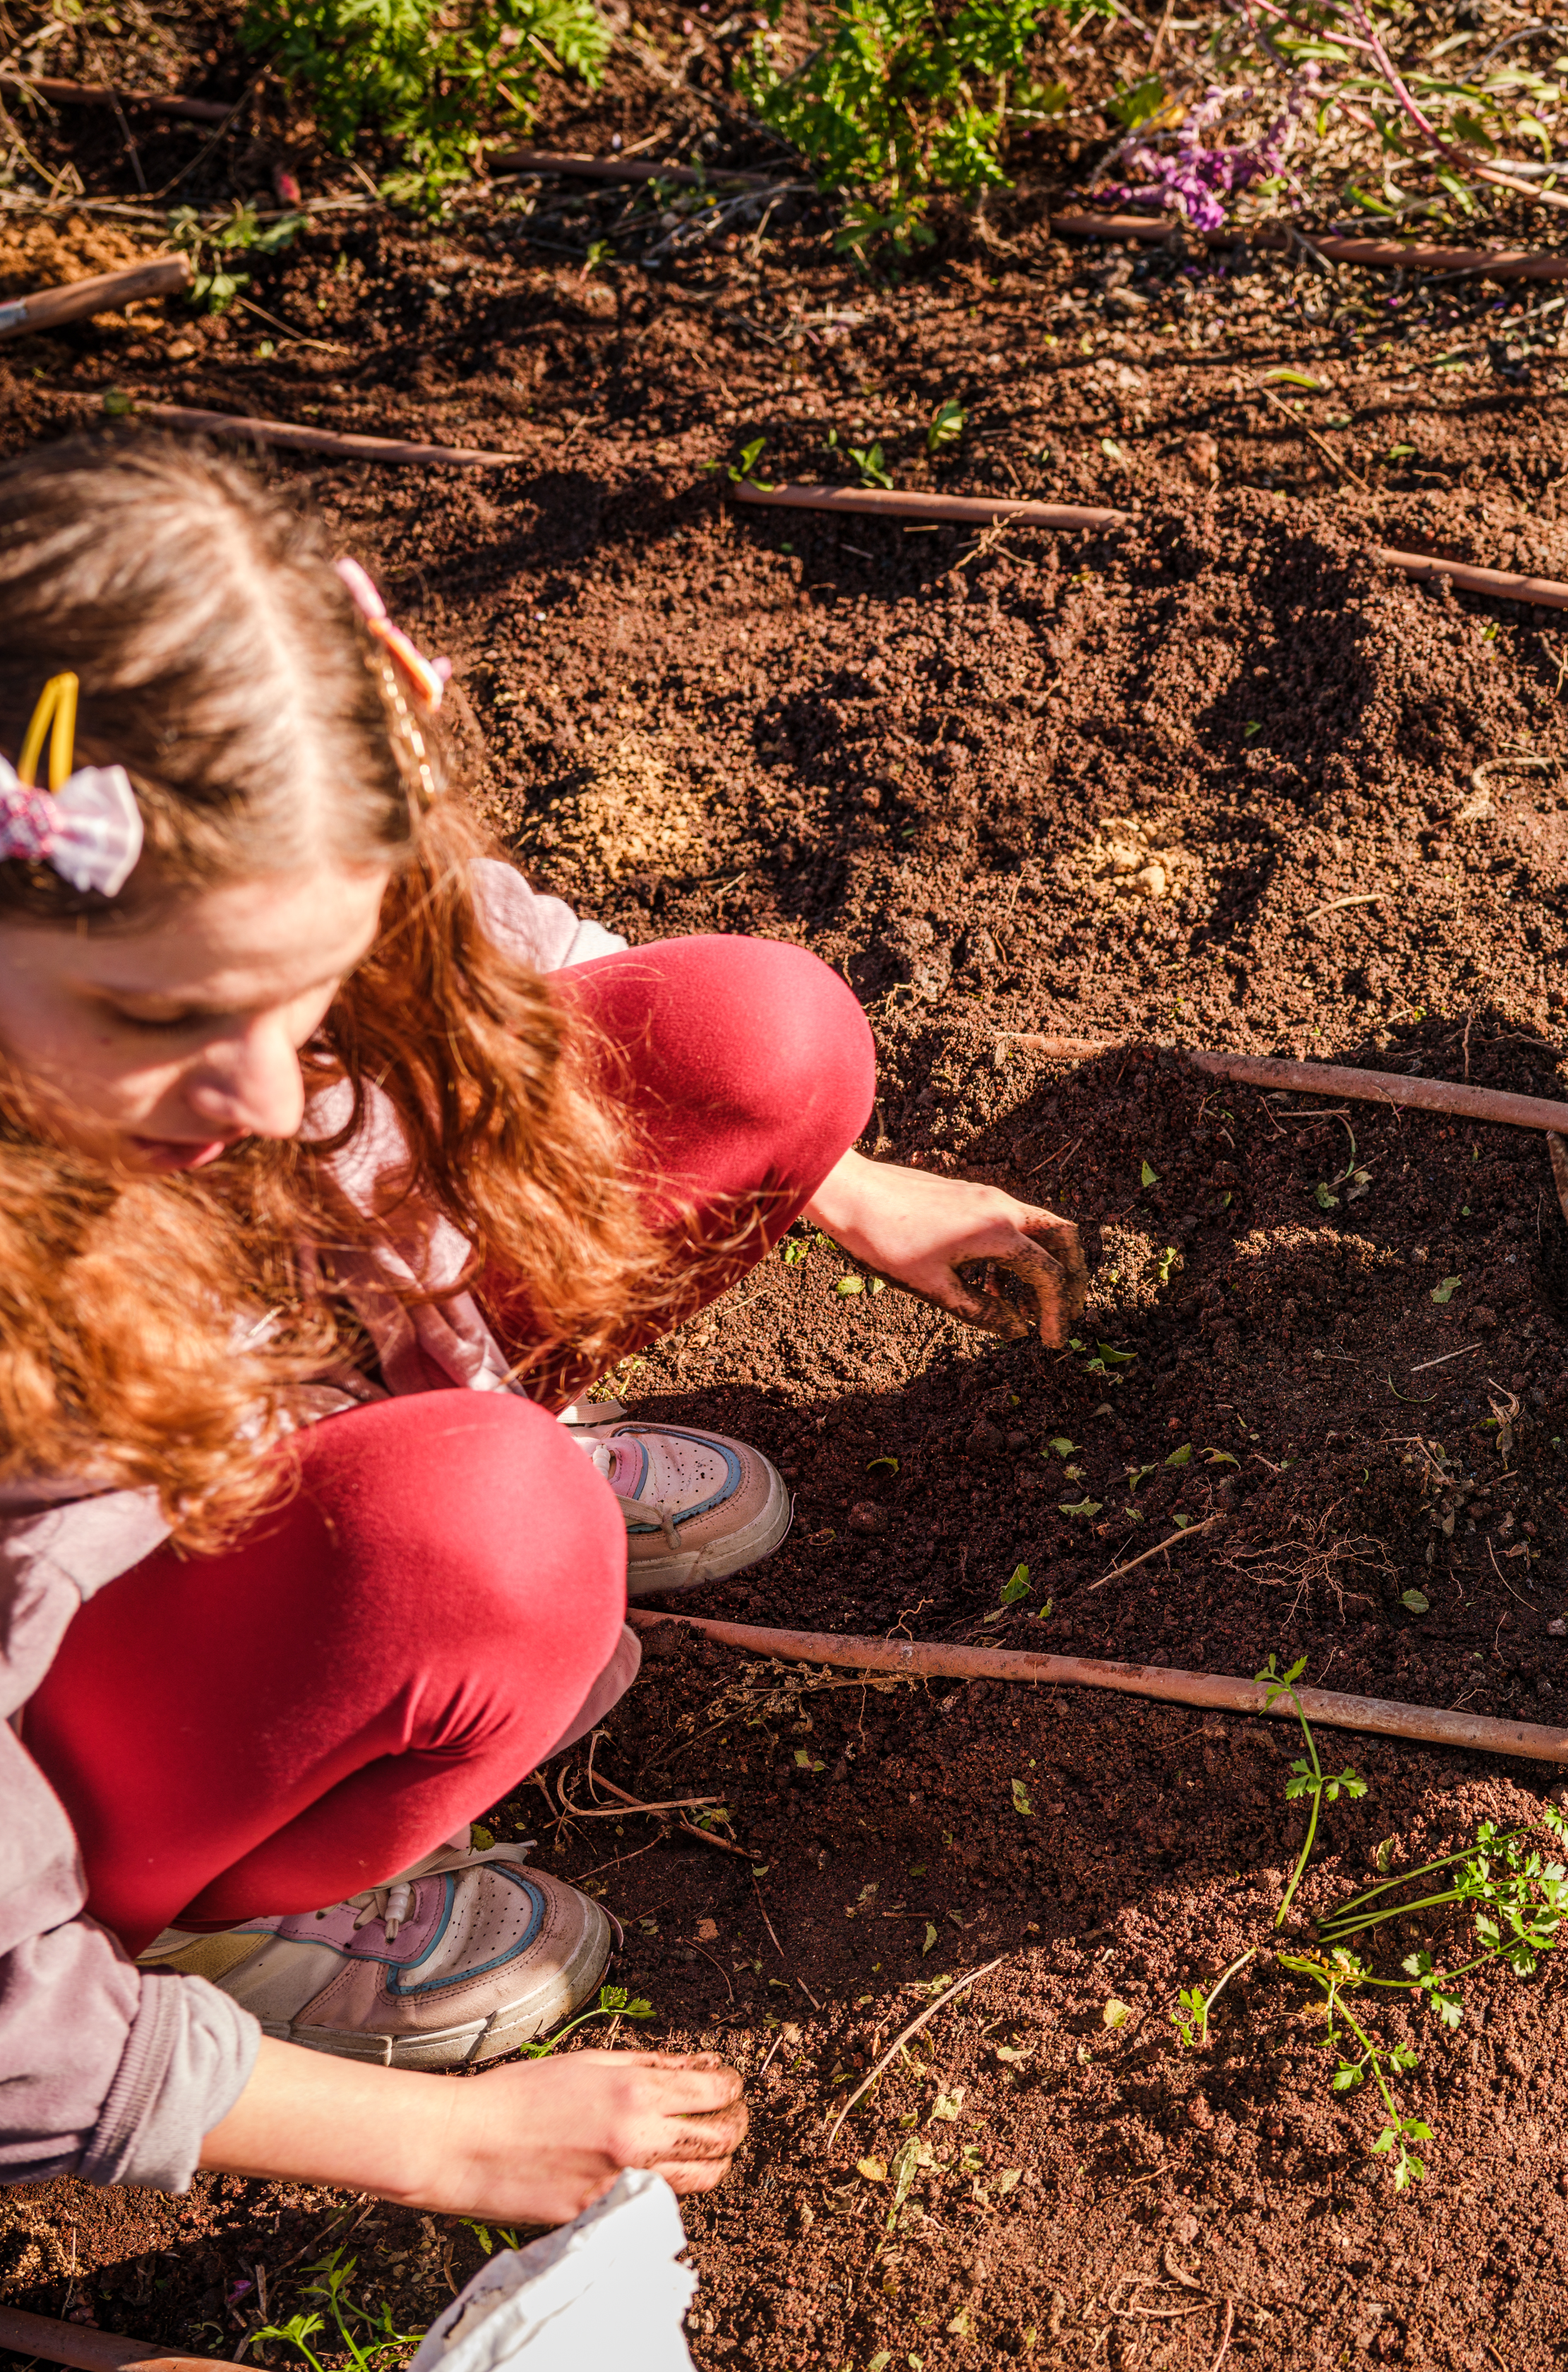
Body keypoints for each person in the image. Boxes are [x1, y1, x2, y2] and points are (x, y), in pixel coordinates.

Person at [0, 438, 1087, 2223]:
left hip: (251, 1385)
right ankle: (224, 1921)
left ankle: (427, 1514)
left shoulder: (244, 945)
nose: (266, 1093)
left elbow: (502, 954)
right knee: (491, 1539)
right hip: (55, 1732)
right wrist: (448, 2143)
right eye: (165, 1012)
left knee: (761, 1039)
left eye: (305, 990)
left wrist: (844, 1179)